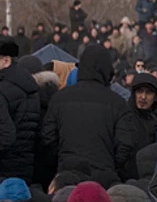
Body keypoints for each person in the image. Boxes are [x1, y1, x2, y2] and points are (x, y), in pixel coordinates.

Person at [41, 44, 136, 188]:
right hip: (104, 180)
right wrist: (109, 167)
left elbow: (48, 139)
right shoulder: (118, 103)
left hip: (67, 178)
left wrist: (61, 163)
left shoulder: (59, 99)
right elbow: (125, 145)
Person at [0, 39, 40, 182]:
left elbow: (6, 135)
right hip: (27, 167)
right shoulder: (30, 86)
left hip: (4, 170)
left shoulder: (3, 90)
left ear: (6, 60)